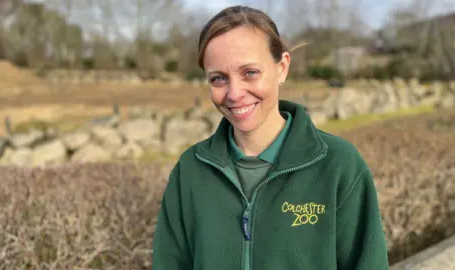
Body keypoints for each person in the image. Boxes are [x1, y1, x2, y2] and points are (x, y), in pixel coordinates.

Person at [152, 5, 389, 270]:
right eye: (219, 79)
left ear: (282, 68)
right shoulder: (190, 171)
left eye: (250, 73)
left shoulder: (339, 166)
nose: (234, 93)